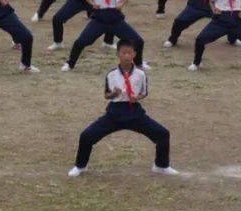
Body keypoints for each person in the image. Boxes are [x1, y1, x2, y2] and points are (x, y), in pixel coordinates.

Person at [67, 39, 176, 178]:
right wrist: (114, 94)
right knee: (86, 136)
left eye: (130, 53)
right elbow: (106, 95)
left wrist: (137, 98)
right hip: (115, 113)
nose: (127, 56)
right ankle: (80, 166)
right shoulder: (111, 74)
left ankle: (161, 166)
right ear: (118, 54)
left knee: (162, 134)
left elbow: (144, 92)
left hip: (134, 112)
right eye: (124, 53)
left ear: (134, 54)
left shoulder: (141, 74)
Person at [63, 0, 148, 71]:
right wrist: (92, 3)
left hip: (115, 17)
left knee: (138, 41)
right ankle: (70, 64)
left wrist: (121, 4)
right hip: (100, 18)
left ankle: (138, 63)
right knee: (81, 41)